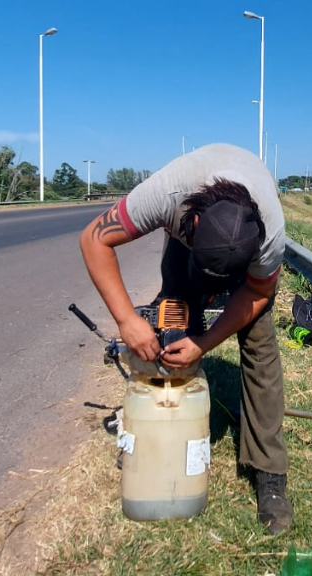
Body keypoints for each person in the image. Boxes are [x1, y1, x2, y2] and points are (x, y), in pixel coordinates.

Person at [78, 143, 292, 534]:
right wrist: (127, 320)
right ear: (191, 226)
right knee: (175, 312)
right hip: (187, 238)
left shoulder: (270, 237)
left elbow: (257, 294)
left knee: (260, 344)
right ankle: (159, 418)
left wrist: (206, 343)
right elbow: (94, 239)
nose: (215, 294)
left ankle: (270, 474)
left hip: (240, 251)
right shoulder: (167, 196)